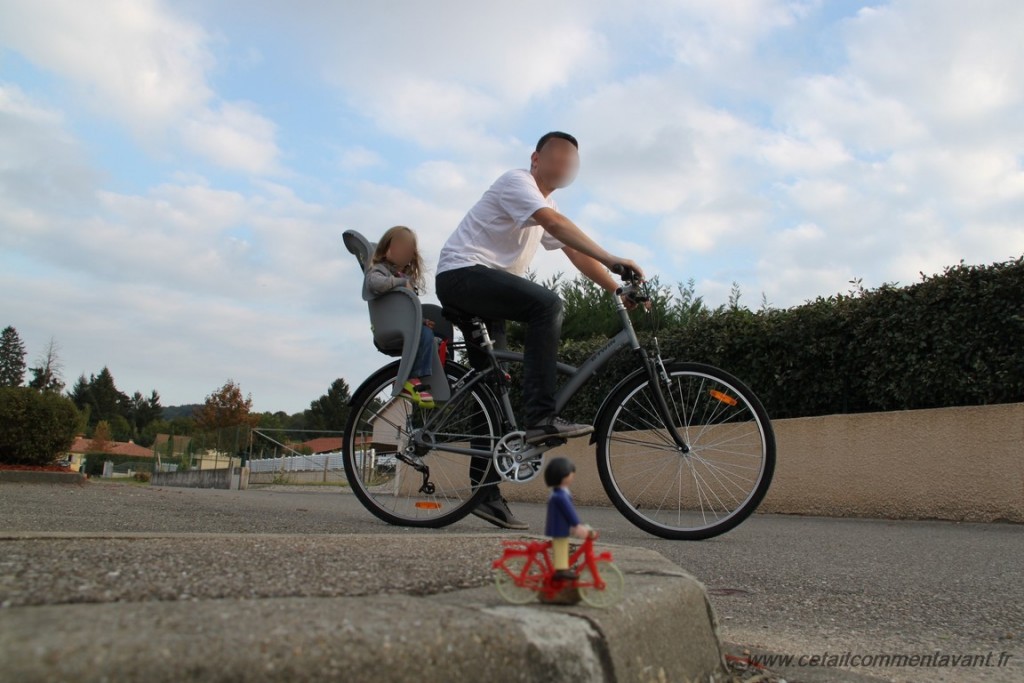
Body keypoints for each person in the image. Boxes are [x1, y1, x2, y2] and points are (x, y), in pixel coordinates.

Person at [435, 131, 645, 529]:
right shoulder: (518, 183)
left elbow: (575, 250)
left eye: (572, 162)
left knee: (491, 389)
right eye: (558, 157)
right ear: (536, 159)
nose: (565, 165)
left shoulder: (545, 203)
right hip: (462, 274)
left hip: (483, 287)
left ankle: (485, 492)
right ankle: (541, 417)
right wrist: (615, 258)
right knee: (547, 305)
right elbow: (555, 223)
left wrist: (615, 285)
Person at [364, 225, 437, 409]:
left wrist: (420, 321)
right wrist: (402, 282)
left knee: (429, 335)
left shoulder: (404, 276)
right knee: (425, 336)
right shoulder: (380, 269)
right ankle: (411, 379)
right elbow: (374, 284)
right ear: (386, 249)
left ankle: (425, 379)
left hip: (403, 325)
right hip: (389, 329)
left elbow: (403, 311)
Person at [542, 456, 593, 605]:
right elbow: (569, 512)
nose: (572, 477)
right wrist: (577, 525)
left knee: (562, 546)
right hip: (558, 528)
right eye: (571, 474)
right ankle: (560, 569)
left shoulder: (561, 493)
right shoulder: (560, 496)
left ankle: (561, 568)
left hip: (561, 527)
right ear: (562, 475)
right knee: (561, 547)